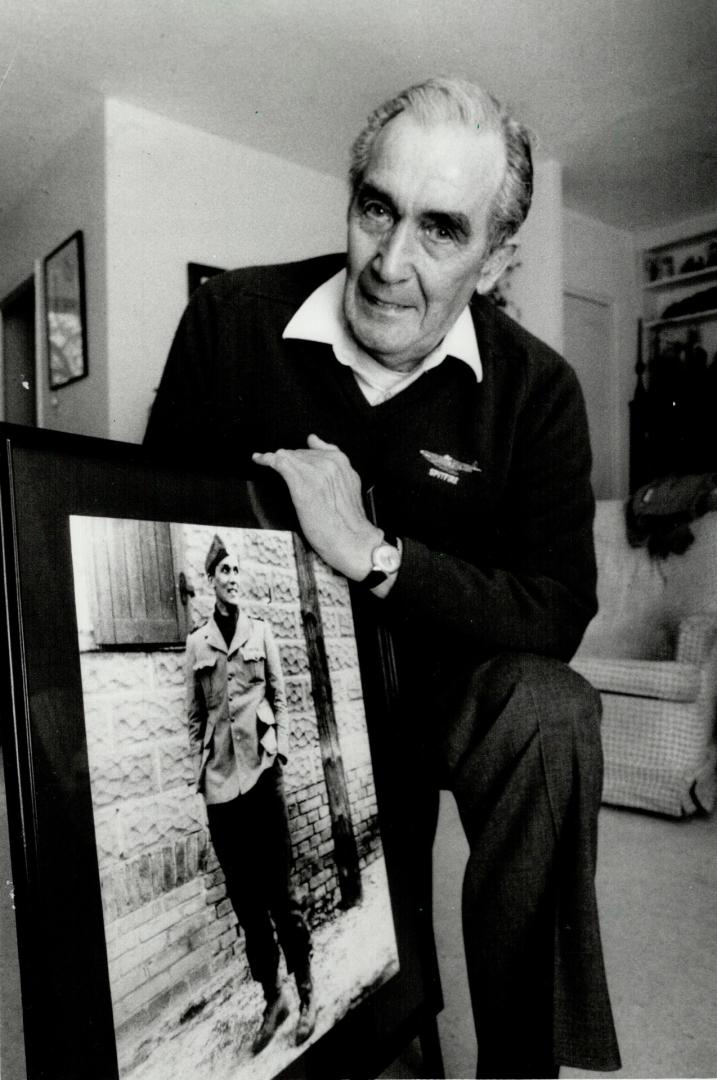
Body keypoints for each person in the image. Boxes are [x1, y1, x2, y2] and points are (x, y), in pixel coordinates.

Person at [147, 77, 621, 1078]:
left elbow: (557, 607)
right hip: (278, 689)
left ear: (496, 260)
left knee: (554, 714)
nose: (390, 262)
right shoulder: (230, 319)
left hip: (444, 694)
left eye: (442, 232)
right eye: (376, 208)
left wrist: (374, 552)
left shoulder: (538, 391)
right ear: (355, 196)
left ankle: (518, 1064)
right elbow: (158, 544)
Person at [185, 535, 315, 1053]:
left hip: (262, 779)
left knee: (281, 895)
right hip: (221, 792)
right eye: (224, 572)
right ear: (211, 581)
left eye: (238, 570)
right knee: (245, 903)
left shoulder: (261, 632)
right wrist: (200, 771)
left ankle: (306, 992)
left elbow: (280, 696)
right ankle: (273, 996)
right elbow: (194, 717)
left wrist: (278, 749)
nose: (233, 578)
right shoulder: (197, 645)